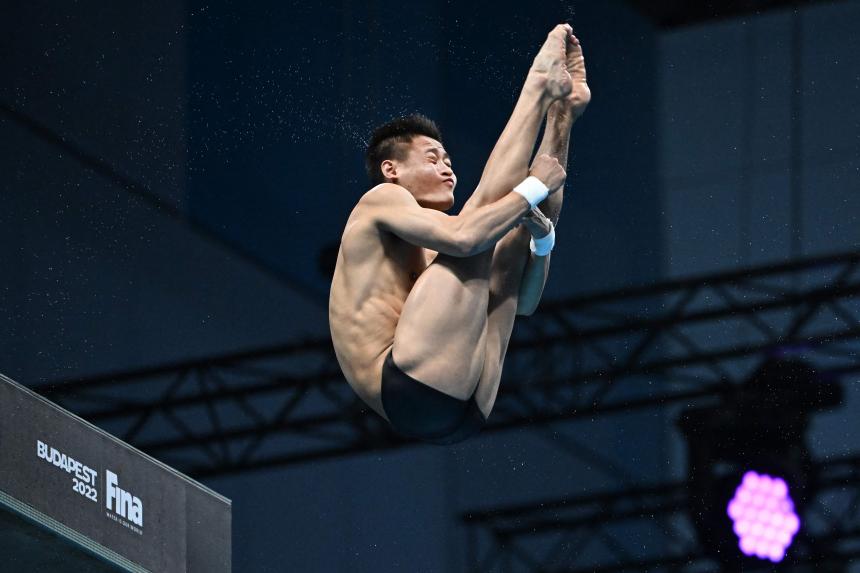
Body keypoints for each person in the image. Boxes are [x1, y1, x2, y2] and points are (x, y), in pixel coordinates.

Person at [329, 23, 590, 444]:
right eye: (433, 158)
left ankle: (562, 114)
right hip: (404, 383)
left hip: (462, 398)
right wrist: (530, 188)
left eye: (449, 159)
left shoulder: (437, 265)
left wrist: (543, 244)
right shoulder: (380, 200)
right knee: (488, 217)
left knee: (510, 242)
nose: (447, 167)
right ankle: (537, 86)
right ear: (391, 169)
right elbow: (467, 237)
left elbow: (522, 302)